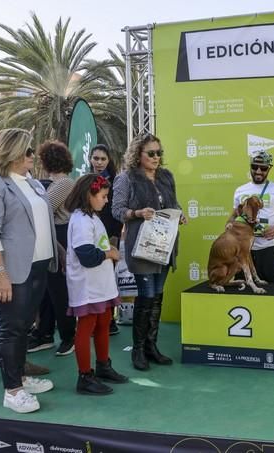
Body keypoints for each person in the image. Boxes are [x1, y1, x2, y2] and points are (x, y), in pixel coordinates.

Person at [0, 128, 58, 414]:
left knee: (23, 327)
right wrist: (0, 272)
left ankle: (20, 376)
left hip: (37, 266)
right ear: (11, 152)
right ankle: (13, 390)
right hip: (10, 270)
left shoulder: (30, 182)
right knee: (11, 329)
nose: (33, 156)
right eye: (28, 151)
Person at [112, 133, 185, 371]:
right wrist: (137, 213)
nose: (156, 157)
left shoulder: (166, 176)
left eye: (159, 153)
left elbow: (173, 203)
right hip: (143, 247)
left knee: (158, 295)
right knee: (147, 295)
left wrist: (180, 213)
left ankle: (151, 347)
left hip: (165, 245)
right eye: (151, 153)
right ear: (138, 155)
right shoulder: (127, 178)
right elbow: (117, 210)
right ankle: (138, 351)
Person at [64, 174, 128, 394]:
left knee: (104, 322)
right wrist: (109, 252)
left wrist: (107, 249)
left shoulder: (92, 217)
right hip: (88, 286)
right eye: (103, 196)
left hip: (101, 284)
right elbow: (87, 256)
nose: (106, 200)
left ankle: (103, 365)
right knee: (86, 327)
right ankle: (85, 376)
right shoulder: (81, 220)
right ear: (89, 195)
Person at [27, 141, 76, 356]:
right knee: (47, 289)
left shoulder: (63, 183)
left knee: (58, 290)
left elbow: (43, 209)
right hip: (51, 235)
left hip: (60, 236)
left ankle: (68, 336)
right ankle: (44, 334)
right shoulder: (55, 182)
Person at [227, 150, 274, 283]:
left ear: (269, 169)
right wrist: (230, 226)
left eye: (263, 168)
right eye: (254, 167)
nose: (258, 171)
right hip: (243, 251)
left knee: (271, 293)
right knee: (243, 292)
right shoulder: (240, 190)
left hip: (268, 250)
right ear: (250, 166)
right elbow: (233, 217)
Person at [89, 144, 123, 336]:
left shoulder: (116, 181)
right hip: (90, 236)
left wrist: (114, 239)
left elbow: (116, 212)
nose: (99, 162)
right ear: (90, 159)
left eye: (103, 159)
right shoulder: (87, 180)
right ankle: (97, 321)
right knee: (94, 280)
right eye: (96, 158)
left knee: (108, 280)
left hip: (110, 237)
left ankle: (109, 322)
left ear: (109, 160)